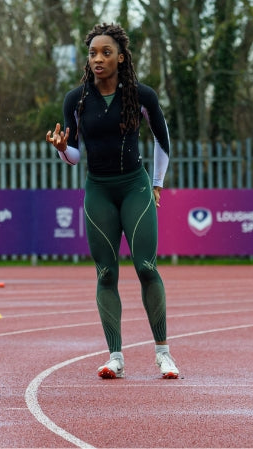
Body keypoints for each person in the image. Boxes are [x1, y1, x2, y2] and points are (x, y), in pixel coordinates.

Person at [45, 23, 179, 379]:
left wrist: (156, 184)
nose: (98, 59)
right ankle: (115, 356)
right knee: (106, 273)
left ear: (121, 57)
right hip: (98, 191)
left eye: (106, 52)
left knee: (147, 267)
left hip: (135, 187)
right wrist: (62, 149)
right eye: (92, 53)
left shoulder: (141, 95)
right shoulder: (76, 99)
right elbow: (74, 154)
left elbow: (162, 141)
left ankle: (163, 353)